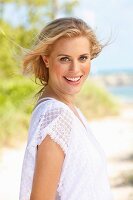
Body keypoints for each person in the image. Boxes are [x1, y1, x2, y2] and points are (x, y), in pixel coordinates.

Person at [19, 17, 113, 200]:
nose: (75, 69)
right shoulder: (56, 115)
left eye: (83, 58)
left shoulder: (68, 109)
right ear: (46, 59)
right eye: (64, 59)